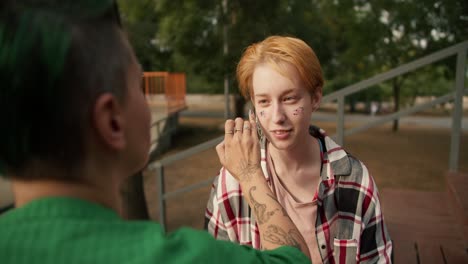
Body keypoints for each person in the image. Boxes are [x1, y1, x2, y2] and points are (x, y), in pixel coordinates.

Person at [0, 1, 310, 263]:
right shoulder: (177, 257)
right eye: (140, 85)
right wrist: (251, 173)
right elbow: (293, 258)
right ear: (112, 122)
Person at [205, 36, 393, 263]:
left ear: (315, 97)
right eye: (264, 102)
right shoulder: (231, 183)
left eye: (290, 98)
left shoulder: (355, 180)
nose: (277, 117)